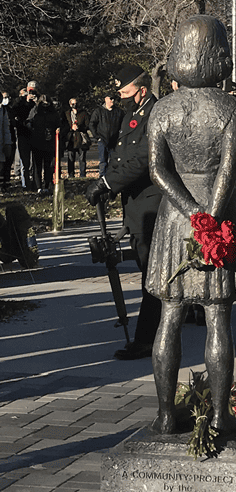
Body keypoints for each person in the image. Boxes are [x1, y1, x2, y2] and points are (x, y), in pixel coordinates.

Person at [144, 15, 236, 435]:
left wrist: (189, 212)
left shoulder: (162, 110)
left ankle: (164, 413)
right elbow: (227, 174)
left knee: (169, 314)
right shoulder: (232, 109)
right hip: (217, 214)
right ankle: (218, 415)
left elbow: (157, 170)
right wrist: (208, 217)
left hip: (175, 219)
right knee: (217, 317)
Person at [85, 64, 162, 360]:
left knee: (152, 276)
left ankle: (147, 340)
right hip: (135, 205)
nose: (121, 98)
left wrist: (106, 182)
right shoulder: (133, 114)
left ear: (142, 90)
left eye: (126, 92)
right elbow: (119, 154)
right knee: (148, 271)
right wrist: (106, 186)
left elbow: (144, 158)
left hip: (152, 205)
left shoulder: (155, 115)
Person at [26, 90, 58, 194]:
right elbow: (28, 122)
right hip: (37, 141)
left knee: (48, 165)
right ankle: (39, 186)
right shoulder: (35, 111)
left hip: (49, 142)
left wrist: (57, 130)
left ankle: (47, 186)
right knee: (37, 166)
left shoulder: (53, 113)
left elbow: (59, 124)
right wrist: (33, 130)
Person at [89, 94, 124, 177]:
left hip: (115, 141)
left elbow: (124, 125)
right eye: (110, 98)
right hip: (103, 140)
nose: (112, 100)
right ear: (106, 99)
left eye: (113, 99)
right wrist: (97, 137)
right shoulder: (98, 111)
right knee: (103, 161)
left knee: (114, 161)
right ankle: (102, 178)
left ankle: (112, 177)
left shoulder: (119, 112)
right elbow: (91, 124)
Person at [11, 82, 37, 191]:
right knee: (24, 163)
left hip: (35, 135)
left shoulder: (39, 102)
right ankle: (25, 184)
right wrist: (25, 100)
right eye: (29, 90)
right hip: (23, 134)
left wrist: (36, 102)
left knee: (35, 162)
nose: (31, 93)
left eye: (33, 91)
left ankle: (36, 184)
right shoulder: (20, 102)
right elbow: (14, 113)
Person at [63, 97, 91, 177]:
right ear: (69, 104)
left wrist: (80, 127)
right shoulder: (66, 114)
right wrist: (71, 128)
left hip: (81, 138)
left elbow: (87, 125)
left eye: (75, 103)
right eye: (72, 103)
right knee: (70, 158)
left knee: (82, 158)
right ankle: (71, 174)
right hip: (71, 139)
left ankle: (82, 174)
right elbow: (64, 126)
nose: (74, 105)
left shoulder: (83, 113)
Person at [0, 91, 14, 189]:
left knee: (1, 165)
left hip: (1, 143)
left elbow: (6, 128)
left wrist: (8, 143)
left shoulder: (3, 111)